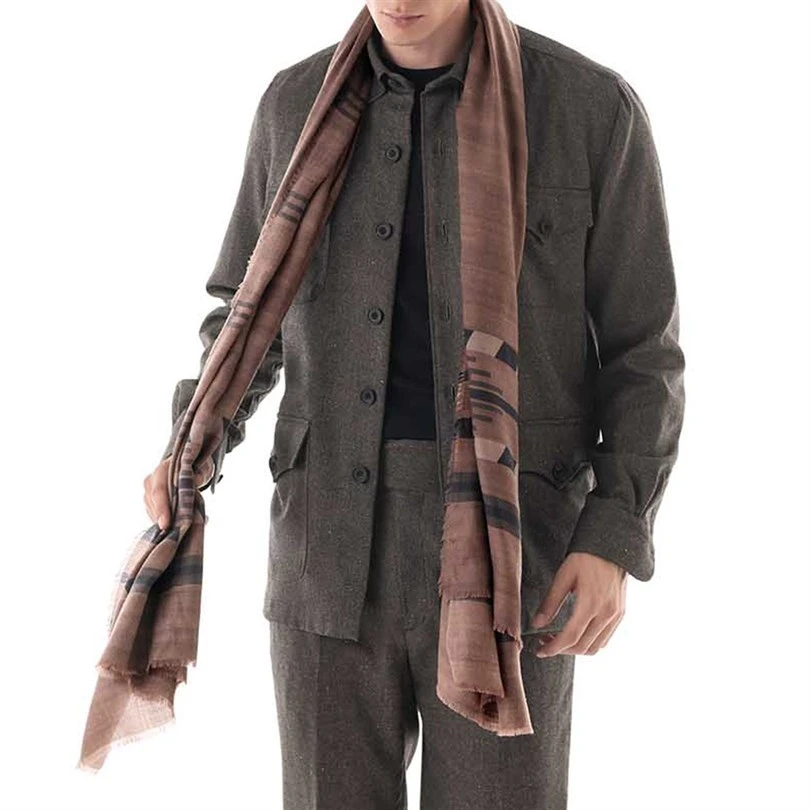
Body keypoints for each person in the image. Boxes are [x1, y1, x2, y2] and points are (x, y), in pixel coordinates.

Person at [143, 1, 685, 807]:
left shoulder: (587, 108)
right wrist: (193, 443)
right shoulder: (294, 106)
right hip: (325, 549)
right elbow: (247, 313)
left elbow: (645, 351)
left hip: (514, 555)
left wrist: (614, 531)